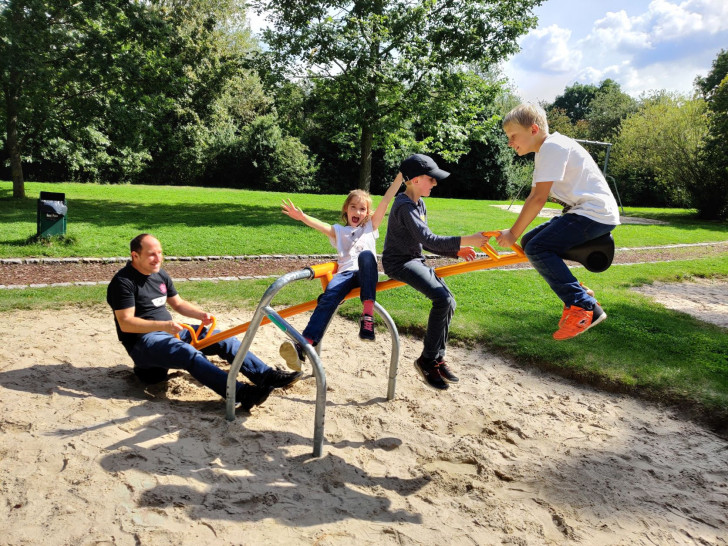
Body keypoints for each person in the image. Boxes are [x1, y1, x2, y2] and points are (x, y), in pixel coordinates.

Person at [107, 233, 302, 412]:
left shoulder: (160, 274)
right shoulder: (123, 283)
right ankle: (239, 393)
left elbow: (178, 303)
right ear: (135, 255)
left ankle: (266, 376)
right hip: (144, 341)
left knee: (223, 339)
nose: (158, 259)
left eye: (160, 253)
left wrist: (200, 315)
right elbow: (126, 323)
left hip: (171, 331)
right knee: (188, 355)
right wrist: (163, 326)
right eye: (151, 254)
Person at [497, 103, 620, 340]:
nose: (510, 142)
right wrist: (517, 234)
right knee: (530, 241)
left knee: (537, 247)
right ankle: (580, 294)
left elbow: (537, 198)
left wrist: (511, 233)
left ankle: (584, 306)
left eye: (513, 136)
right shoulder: (547, 150)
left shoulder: (553, 147)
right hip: (586, 211)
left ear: (533, 129)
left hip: (593, 213)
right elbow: (536, 194)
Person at [382, 154, 488, 391]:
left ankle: (436, 358)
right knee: (442, 299)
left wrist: (455, 253)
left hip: (414, 259)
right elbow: (428, 239)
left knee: (449, 301)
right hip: (399, 263)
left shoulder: (419, 203)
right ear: (416, 180)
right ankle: (426, 360)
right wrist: (466, 240)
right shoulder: (404, 206)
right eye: (432, 179)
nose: (435, 183)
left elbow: (424, 243)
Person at [278, 175, 403, 370]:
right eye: (353, 207)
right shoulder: (339, 231)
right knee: (328, 297)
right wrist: (302, 217)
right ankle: (303, 345)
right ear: (346, 209)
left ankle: (367, 316)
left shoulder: (371, 227)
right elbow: (320, 225)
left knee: (367, 256)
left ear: (368, 213)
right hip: (345, 275)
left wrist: (400, 178)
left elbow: (386, 200)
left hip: (366, 274)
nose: (357, 211)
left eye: (362, 209)